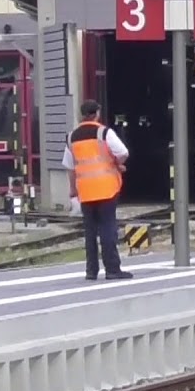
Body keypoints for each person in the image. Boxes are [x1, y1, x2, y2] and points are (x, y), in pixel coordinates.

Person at [64, 100, 133, 280]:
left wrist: (73, 189)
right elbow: (123, 152)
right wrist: (116, 164)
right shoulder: (104, 133)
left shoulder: (71, 137)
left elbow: (70, 167)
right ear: (97, 113)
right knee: (107, 229)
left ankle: (91, 271)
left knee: (90, 232)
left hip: (85, 191)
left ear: (82, 114)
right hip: (106, 189)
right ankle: (112, 269)